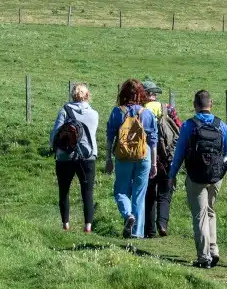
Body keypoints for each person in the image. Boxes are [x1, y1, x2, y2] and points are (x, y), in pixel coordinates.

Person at [168, 89, 227, 269]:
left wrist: (172, 175)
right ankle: (214, 250)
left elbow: (179, 153)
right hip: (216, 176)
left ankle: (204, 256)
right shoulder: (221, 126)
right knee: (211, 212)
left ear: (195, 105)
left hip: (196, 177)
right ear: (211, 104)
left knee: (200, 215)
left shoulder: (189, 125)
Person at [105, 79, 158, 239]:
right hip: (144, 155)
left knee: (120, 190)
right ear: (141, 94)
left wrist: (108, 158)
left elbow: (109, 138)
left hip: (123, 156)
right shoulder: (147, 113)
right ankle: (137, 233)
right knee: (139, 194)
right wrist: (154, 163)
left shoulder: (117, 112)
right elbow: (153, 140)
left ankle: (128, 215)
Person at [49, 82, 99, 233]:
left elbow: (55, 134)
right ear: (88, 96)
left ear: (72, 95)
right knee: (87, 192)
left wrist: (54, 147)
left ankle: (65, 224)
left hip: (65, 157)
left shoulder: (65, 110)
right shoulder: (94, 114)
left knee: (64, 191)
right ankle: (88, 226)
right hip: (88, 156)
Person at [147, 98, 180, 239]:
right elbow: (179, 127)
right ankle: (162, 224)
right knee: (165, 194)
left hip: (148, 158)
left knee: (149, 195)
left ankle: (149, 230)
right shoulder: (169, 109)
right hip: (168, 157)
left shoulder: (142, 109)